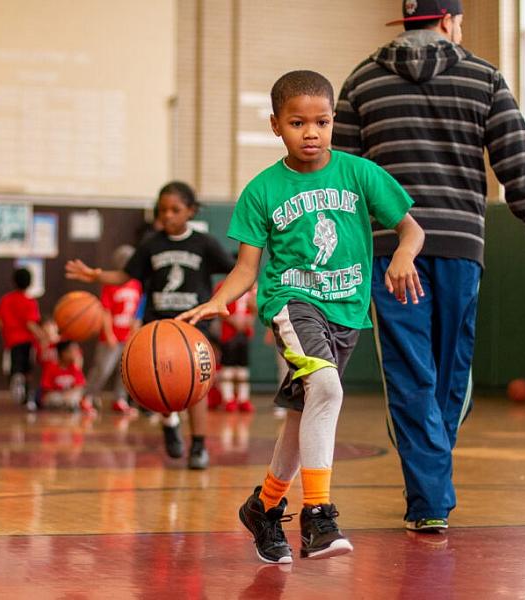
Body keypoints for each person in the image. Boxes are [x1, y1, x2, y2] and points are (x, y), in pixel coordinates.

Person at [332, 0, 525, 532]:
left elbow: (341, 177)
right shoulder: (483, 77)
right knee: (449, 374)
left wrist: (341, 255)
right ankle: (430, 499)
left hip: (390, 252)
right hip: (460, 245)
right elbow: (517, 160)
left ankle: (429, 495)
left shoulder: (362, 80)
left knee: (411, 374)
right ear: (449, 21)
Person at [180, 70, 425, 563]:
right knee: (328, 388)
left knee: (303, 414)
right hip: (293, 304)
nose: (311, 132)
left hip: (348, 310)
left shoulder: (359, 174)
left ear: (334, 122)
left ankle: (264, 508)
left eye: (322, 121)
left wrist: (403, 254)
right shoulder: (262, 190)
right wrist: (219, 299)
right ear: (276, 126)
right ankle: (318, 516)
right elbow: (247, 267)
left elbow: (411, 229)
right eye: (297, 123)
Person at [65, 181, 235, 470]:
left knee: (198, 386)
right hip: (158, 326)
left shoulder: (204, 244)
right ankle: (169, 422)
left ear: (191, 211)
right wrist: (95, 276)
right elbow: (125, 275)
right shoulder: (151, 244)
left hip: (194, 325)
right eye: (163, 210)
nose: (168, 215)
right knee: (160, 386)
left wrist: (219, 301)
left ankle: (198, 444)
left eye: (175, 210)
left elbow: (235, 272)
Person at [84, 245, 142, 413]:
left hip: (128, 334)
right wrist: (108, 333)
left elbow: (137, 311)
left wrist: (135, 331)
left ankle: (120, 399)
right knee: (103, 368)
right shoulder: (111, 284)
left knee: (125, 371)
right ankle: (87, 396)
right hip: (112, 335)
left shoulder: (137, 284)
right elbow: (106, 310)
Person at [0, 268, 46, 408]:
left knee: (14, 367)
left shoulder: (6, 300)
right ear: (30, 283)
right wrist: (43, 336)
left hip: (11, 341)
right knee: (27, 370)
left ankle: (17, 381)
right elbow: (30, 323)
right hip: (27, 342)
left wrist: (8, 329)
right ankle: (26, 394)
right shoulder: (29, 302)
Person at [215, 280, 257, 413]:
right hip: (228, 332)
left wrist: (250, 319)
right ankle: (228, 399)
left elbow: (256, 307)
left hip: (244, 333)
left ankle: (243, 399)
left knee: (242, 368)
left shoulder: (251, 285)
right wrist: (230, 319)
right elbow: (217, 305)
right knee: (227, 367)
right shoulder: (223, 285)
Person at [40, 340, 87, 410]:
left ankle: (69, 408)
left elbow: (79, 386)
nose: (75, 354)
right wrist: (61, 395)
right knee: (53, 398)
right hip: (56, 396)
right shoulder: (51, 367)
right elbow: (46, 389)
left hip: (69, 396)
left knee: (75, 397)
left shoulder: (75, 368)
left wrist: (68, 394)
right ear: (63, 353)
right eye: (71, 351)